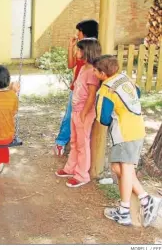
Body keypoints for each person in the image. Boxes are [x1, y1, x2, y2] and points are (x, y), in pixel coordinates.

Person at [92, 54, 161, 226]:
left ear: (102, 73)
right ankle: (146, 200)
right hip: (137, 128)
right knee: (117, 168)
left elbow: (103, 118)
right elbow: (138, 92)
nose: (93, 72)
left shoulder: (105, 90)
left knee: (125, 170)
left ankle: (124, 211)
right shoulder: (124, 78)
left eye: (95, 70)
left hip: (124, 133)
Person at [55, 38, 101, 188]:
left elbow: (92, 95)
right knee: (74, 141)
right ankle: (71, 168)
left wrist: (84, 113)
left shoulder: (93, 71)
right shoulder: (83, 68)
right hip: (76, 111)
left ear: (87, 51)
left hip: (84, 113)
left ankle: (82, 175)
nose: (77, 52)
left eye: (79, 50)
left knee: (82, 143)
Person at [54, 19, 99, 156]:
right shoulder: (80, 48)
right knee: (70, 117)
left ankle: (82, 146)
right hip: (76, 89)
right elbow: (70, 64)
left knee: (85, 118)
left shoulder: (93, 48)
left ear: (84, 32)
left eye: (78, 31)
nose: (76, 33)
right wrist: (70, 47)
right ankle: (61, 142)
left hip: (89, 89)